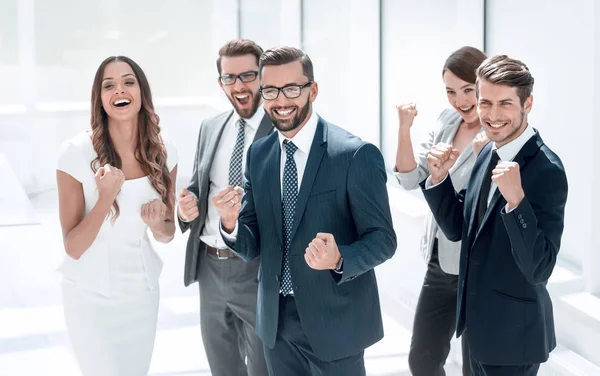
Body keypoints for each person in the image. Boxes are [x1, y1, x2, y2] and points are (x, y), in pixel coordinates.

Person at [213, 46, 397, 376]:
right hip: (276, 324)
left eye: (292, 89)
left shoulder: (354, 155)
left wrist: (339, 258)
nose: (281, 101)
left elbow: (383, 240)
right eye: (270, 90)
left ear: (312, 89)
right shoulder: (259, 154)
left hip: (336, 323)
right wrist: (230, 223)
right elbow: (253, 243)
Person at [422, 54, 568, 376]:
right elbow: (460, 229)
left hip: (514, 339)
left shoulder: (547, 170)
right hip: (476, 330)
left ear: (527, 103)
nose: (492, 115)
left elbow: (539, 267)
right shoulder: (487, 150)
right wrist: (438, 180)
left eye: (505, 104)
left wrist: (517, 202)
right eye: (485, 103)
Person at [55, 56, 178, 376]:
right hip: (90, 297)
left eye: (128, 81)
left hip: (141, 295)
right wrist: (105, 199)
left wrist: (156, 224)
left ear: (141, 92)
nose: (119, 90)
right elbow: (73, 247)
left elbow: (167, 233)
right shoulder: (75, 152)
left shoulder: (164, 151)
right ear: (99, 98)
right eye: (108, 85)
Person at [177, 39, 272, 376]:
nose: (239, 85)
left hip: (257, 268)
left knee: (264, 367)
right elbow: (199, 187)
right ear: (221, 83)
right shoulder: (211, 127)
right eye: (230, 78)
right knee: (222, 368)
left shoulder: (282, 128)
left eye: (248, 75)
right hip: (209, 267)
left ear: (263, 76)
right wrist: (185, 209)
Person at [394, 46, 487, 376]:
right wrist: (405, 128)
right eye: (451, 91)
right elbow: (408, 178)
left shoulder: (496, 135)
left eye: (468, 90)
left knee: (476, 366)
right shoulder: (447, 121)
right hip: (439, 263)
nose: (461, 101)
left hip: (477, 267)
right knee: (422, 360)